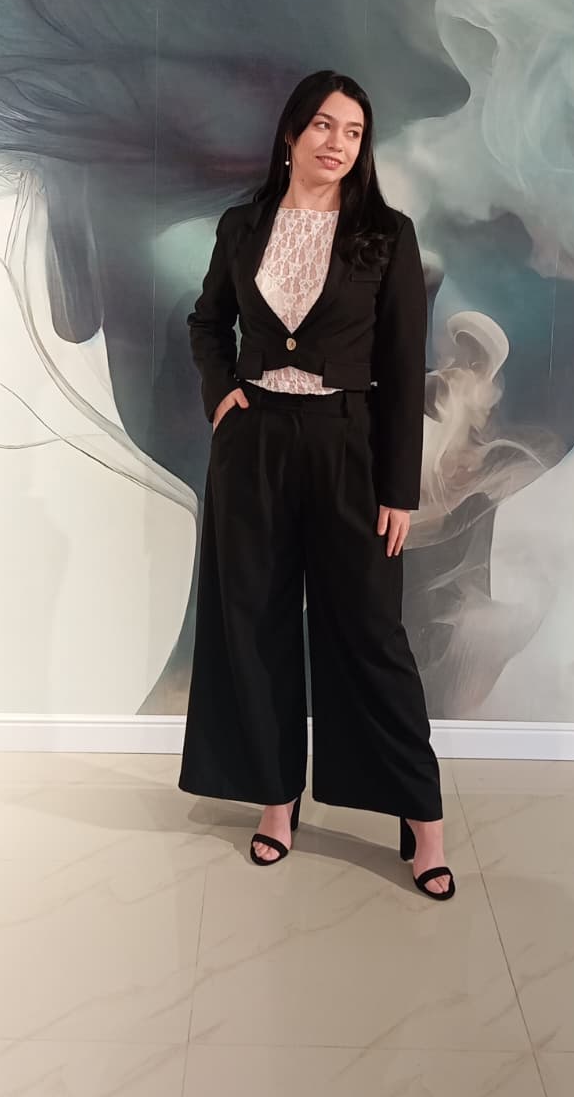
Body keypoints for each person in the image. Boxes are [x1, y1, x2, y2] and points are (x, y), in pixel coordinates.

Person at [178, 71, 454, 900]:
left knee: (370, 634)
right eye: (325, 126)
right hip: (254, 445)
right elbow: (207, 321)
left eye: (354, 132)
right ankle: (275, 802)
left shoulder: (387, 235)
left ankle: (423, 822)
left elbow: (403, 367)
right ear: (292, 132)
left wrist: (398, 489)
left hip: (348, 449)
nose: (338, 143)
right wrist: (220, 394)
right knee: (255, 625)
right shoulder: (242, 225)